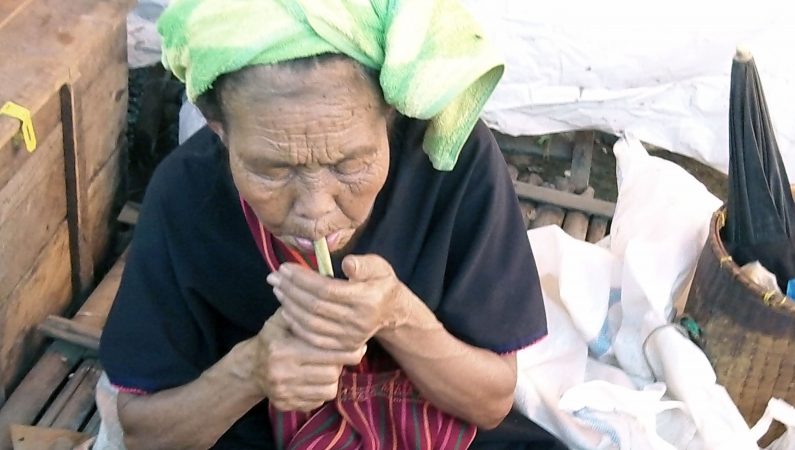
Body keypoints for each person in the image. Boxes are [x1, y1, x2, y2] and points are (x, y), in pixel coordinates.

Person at [98, 0, 564, 449]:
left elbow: (492, 402)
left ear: (391, 115)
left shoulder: (450, 161)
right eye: (272, 171)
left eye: (350, 165)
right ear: (219, 130)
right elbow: (144, 434)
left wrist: (396, 315)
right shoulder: (184, 195)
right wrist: (250, 372)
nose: (317, 211)